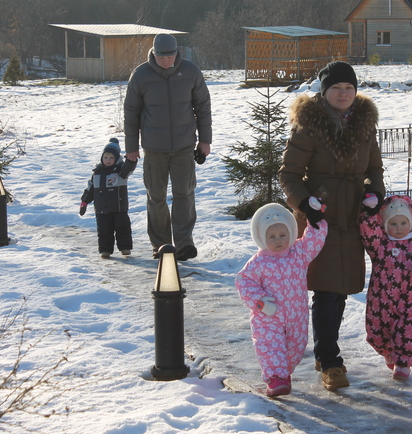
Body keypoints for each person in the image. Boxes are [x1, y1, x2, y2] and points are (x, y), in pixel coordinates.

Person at [278, 60, 385, 391]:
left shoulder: (364, 125)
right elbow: (289, 175)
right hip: (320, 217)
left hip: (352, 216)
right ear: (324, 92)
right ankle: (329, 360)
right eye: (336, 88)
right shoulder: (309, 125)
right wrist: (305, 204)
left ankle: (326, 353)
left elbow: (375, 170)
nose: (343, 93)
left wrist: (374, 194)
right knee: (326, 290)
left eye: (348, 88)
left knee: (339, 291)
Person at [124, 33, 212, 261]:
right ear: (154, 54)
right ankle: (161, 244)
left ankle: (184, 243)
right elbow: (131, 113)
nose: (166, 60)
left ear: (177, 53)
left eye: (170, 56)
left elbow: (203, 106)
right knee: (156, 196)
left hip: (184, 145)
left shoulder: (191, 72)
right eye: (161, 56)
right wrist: (131, 147)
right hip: (154, 148)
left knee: (185, 193)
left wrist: (205, 140)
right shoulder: (141, 76)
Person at [235, 202, 328, 397]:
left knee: (295, 348)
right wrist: (259, 301)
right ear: (262, 237)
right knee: (271, 347)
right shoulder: (259, 262)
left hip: (297, 316)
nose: (278, 240)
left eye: (283, 235)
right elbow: (244, 281)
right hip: (269, 316)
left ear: (291, 233)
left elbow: (314, 239)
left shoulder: (298, 253)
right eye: (272, 236)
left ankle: (284, 373)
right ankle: (276, 378)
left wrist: (316, 219)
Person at [359, 194, 412, 380]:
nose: (398, 228)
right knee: (377, 331)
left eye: (403, 223)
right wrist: (370, 212)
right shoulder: (380, 244)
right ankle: (388, 352)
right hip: (381, 298)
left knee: (408, 330)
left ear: (411, 222)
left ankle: (403, 363)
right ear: (386, 224)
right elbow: (368, 231)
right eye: (393, 224)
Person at [80, 137, 137, 259]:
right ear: (102, 157)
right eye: (106, 157)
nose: (108, 160)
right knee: (104, 231)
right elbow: (90, 188)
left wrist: (131, 160)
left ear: (116, 159)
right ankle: (105, 250)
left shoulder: (120, 171)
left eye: (112, 158)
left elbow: (129, 168)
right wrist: (84, 202)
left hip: (119, 207)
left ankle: (125, 248)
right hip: (101, 209)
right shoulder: (97, 172)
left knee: (123, 228)